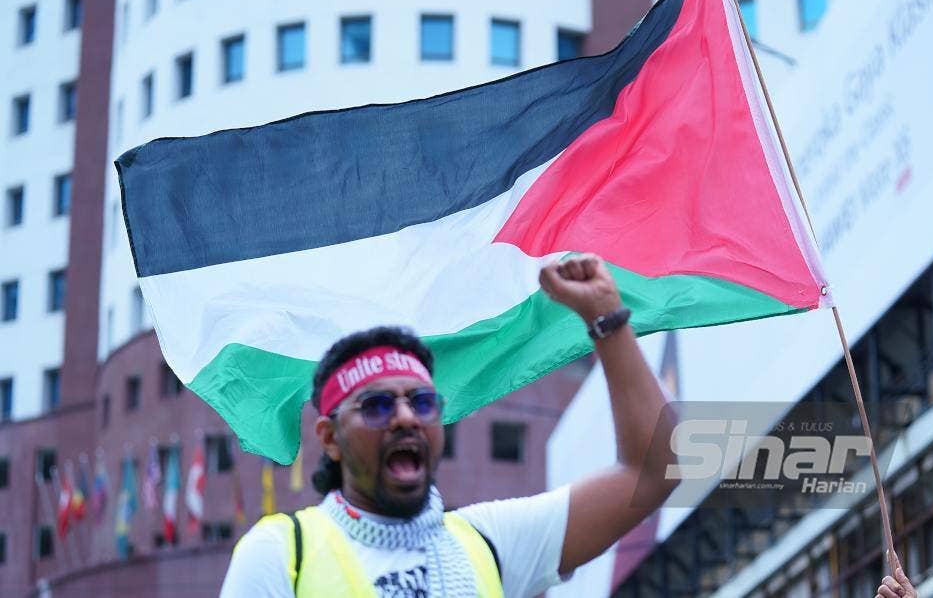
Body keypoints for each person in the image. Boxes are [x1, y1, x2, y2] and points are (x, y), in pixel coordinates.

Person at [220, 253, 679, 597]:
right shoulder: (281, 554)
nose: (404, 417)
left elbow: (653, 470)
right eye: (377, 406)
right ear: (329, 438)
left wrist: (607, 318)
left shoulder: (487, 541)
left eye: (421, 402)